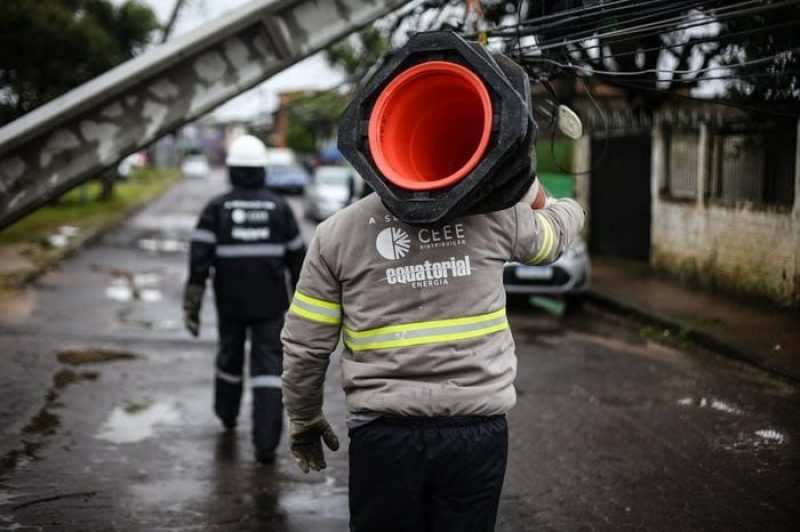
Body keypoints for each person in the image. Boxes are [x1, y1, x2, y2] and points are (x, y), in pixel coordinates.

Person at [280, 176, 584, 530]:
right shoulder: (495, 215)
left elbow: (306, 344)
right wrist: (532, 187)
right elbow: (553, 237)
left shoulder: (337, 233)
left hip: (383, 434)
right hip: (476, 433)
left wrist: (304, 415)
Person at [183, 134, 306, 464]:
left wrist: (191, 306)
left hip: (230, 305)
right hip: (271, 308)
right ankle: (266, 445)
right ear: (262, 171)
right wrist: (304, 311)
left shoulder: (217, 208)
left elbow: (199, 259)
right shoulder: (279, 209)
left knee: (230, 358)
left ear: (232, 170)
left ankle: (227, 415)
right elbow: (299, 262)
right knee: (268, 369)